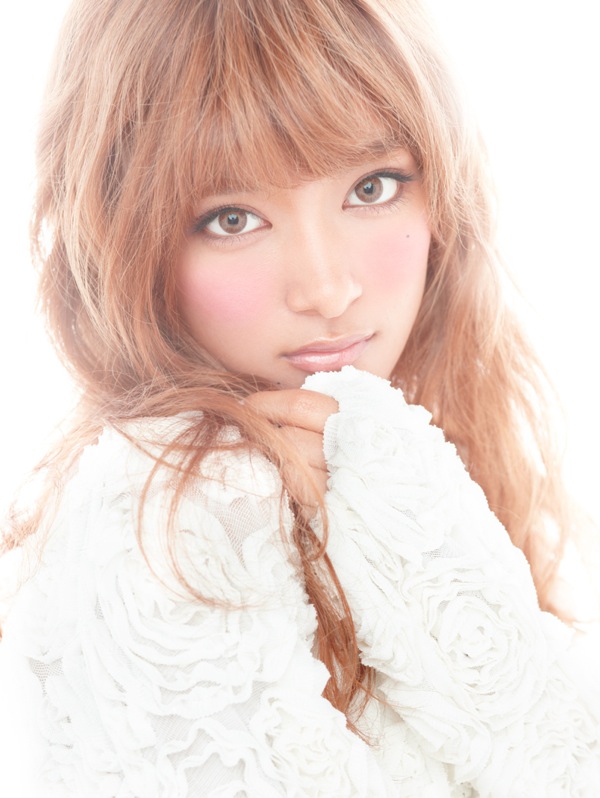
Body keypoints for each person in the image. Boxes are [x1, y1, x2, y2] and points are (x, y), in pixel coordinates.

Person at [0, 0, 598, 795]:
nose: (325, 288)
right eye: (232, 218)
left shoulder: (421, 452)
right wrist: (415, 535)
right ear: (126, 237)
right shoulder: (177, 508)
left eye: (372, 187)